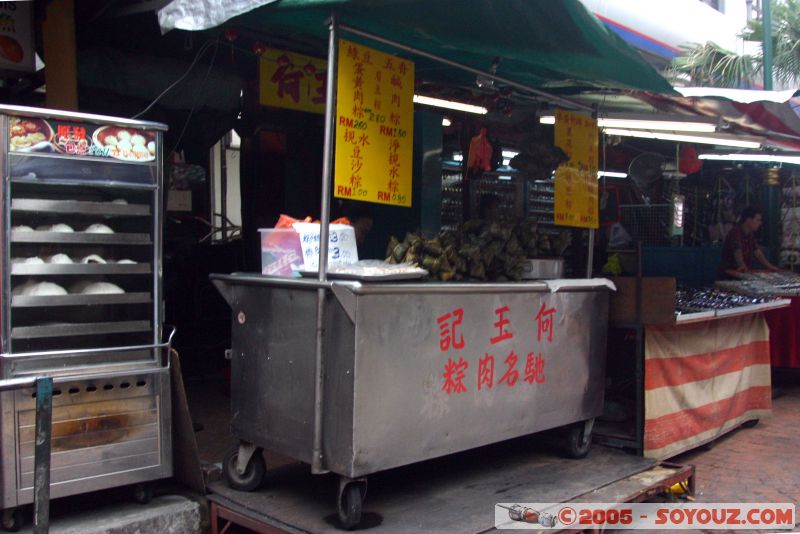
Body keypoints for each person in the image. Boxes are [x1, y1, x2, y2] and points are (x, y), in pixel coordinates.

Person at [719, 206, 779, 279]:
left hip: (741, 273)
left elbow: (757, 252)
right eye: (758, 220)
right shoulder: (735, 232)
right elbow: (737, 250)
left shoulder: (750, 235)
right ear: (748, 220)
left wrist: (770, 267)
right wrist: (742, 265)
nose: (760, 223)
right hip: (729, 275)